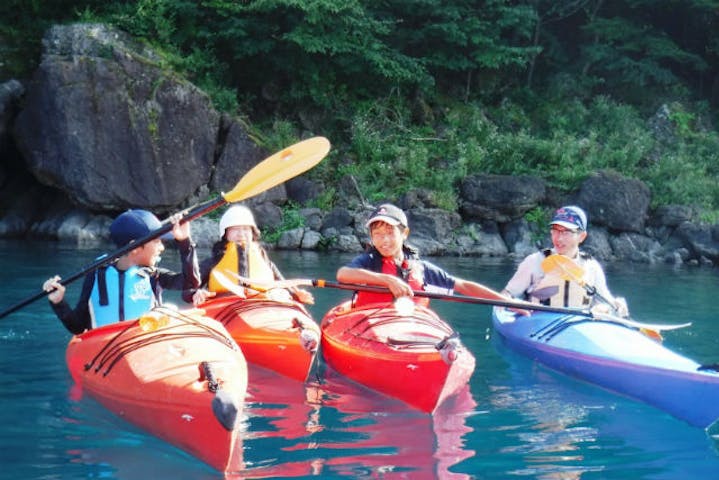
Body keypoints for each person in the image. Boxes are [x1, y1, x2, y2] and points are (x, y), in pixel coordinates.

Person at [337, 203, 526, 311]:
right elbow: (343, 275)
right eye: (377, 234)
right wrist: (385, 280)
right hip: (370, 328)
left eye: (390, 232)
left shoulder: (420, 268)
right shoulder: (369, 261)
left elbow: (463, 286)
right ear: (371, 237)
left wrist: (508, 303)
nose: (384, 240)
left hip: (410, 330)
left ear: (404, 234)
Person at [42, 209, 200, 334]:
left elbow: (191, 282)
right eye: (157, 242)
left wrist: (185, 242)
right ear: (135, 248)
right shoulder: (96, 274)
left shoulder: (153, 275)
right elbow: (77, 327)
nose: (162, 248)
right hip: (106, 354)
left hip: (144, 348)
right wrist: (58, 302)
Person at [502, 205, 629, 316]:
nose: (559, 238)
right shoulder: (534, 262)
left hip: (577, 328)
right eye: (555, 231)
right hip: (538, 324)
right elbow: (505, 296)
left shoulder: (592, 267)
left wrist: (614, 306)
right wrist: (511, 303)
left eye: (566, 232)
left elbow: (605, 303)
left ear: (582, 236)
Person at [190, 204, 314, 306]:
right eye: (235, 229)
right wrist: (196, 293)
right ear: (225, 234)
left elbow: (284, 286)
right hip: (225, 307)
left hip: (261, 308)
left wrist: (297, 295)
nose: (241, 234)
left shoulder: (265, 262)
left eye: (245, 229)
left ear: (252, 233)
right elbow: (188, 289)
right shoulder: (213, 262)